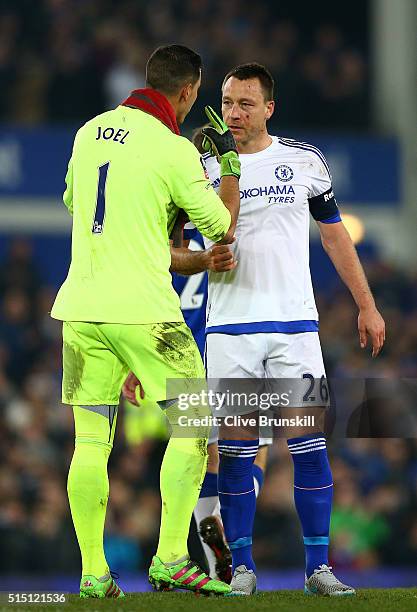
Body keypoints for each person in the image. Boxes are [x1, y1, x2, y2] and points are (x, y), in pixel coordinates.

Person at [159, 62, 386, 596]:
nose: (233, 114)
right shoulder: (198, 168)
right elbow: (169, 250)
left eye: (245, 104)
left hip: (294, 327)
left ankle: (319, 570)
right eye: (227, 102)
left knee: (308, 444)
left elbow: (334, 238)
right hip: (230, 330)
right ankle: (240, 570)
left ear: (269, 108)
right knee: (235, 452)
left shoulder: (303, 162)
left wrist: (367, 306)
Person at [50, 44, 241, 598]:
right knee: (194, 423)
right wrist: (226, 161)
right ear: (186, 93)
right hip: (144, 312)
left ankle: (93, 574)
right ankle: (170, 559)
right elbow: (222, 224)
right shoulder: (174, 148)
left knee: (90, 443)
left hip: (81, 309)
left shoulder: (90, 131)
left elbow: (72, 202)